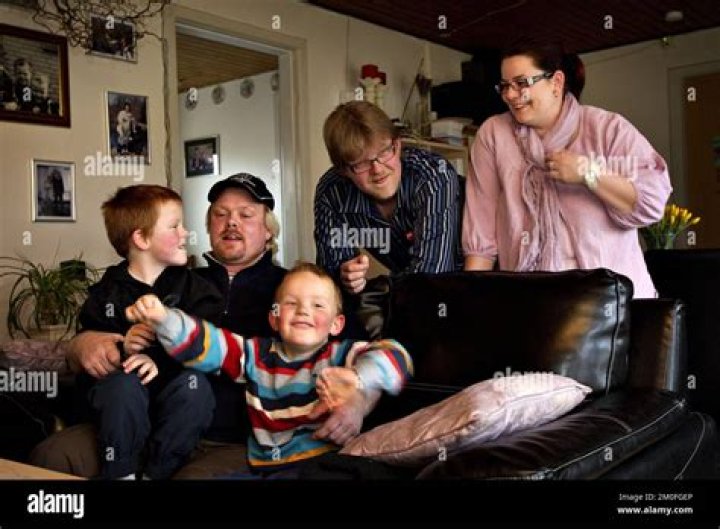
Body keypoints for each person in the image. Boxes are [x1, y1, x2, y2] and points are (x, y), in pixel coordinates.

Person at [126, 262, 413, 475]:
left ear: (336, 324)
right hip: (263, 465)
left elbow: (397, 355)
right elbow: (208, 343)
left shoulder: (343, 354)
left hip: (321, 462)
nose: (303, 311)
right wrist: (164, 318)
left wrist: (358, 379)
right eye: (291, 303)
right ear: (274, 318)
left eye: (317, 305)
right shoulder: (255, 354)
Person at [462, 42, 672, 298]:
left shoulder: (607, 128)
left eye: (521, 83)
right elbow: (480, 238)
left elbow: (650, 204)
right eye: (505, 86)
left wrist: (587, 173)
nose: (511, 94)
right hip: (530, 299)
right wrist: (469, 303)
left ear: (556, 82)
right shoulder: (494, 134)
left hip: (611, 302)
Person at [76, 184, 223, 479]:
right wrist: (123, 346)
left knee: (195, 387)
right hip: (126, 397)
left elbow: (209, 344)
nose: (185, 233)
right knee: (122, 386)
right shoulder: (106, 293)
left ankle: (157, 473)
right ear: (141, 238)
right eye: (174, 226)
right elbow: (94, 349)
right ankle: (121, 472)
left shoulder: (197, 290)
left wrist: (158, 358)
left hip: (175, 392)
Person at [314, 101, 464, 295]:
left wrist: (381, 288)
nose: (378, 169)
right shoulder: (332, 192)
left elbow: (431, 276)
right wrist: (345, 276)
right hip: (406, 293)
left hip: (471, 284)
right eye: (361, 163)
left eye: (384, 152)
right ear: (343, 170)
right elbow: (327, 282)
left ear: (397, 145)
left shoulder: (433, 175)